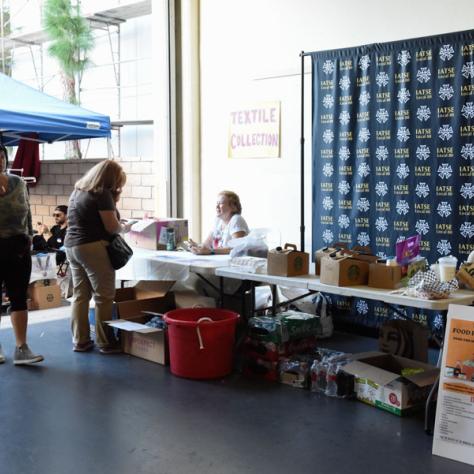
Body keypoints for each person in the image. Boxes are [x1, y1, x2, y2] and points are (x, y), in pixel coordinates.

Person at [65, 160, 131, 354]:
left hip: (72, 247)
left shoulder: (79, 190)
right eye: (118, 182)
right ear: (111, 178)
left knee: (80, 295)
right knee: (104, 296)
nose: (118, 186)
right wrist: (124, 227)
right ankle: (106, 341)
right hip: (92, 247)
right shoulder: (101, 193)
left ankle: (81, 340)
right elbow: (111, 227)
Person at [0, 143, 44, 365]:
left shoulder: (18, 183)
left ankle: (22, 348)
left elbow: (27, 212)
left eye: (0, 156)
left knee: (19, 298)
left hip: (18, 248)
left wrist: (29, 238)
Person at [190, 190, 249, 255]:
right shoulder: (218, 220)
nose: (217, 206)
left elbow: (237, 248)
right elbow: (206, 245)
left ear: (233, 207)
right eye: (217, 203)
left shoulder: (236, 219)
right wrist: (196, 246)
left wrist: (211, 251)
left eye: (221, 203)